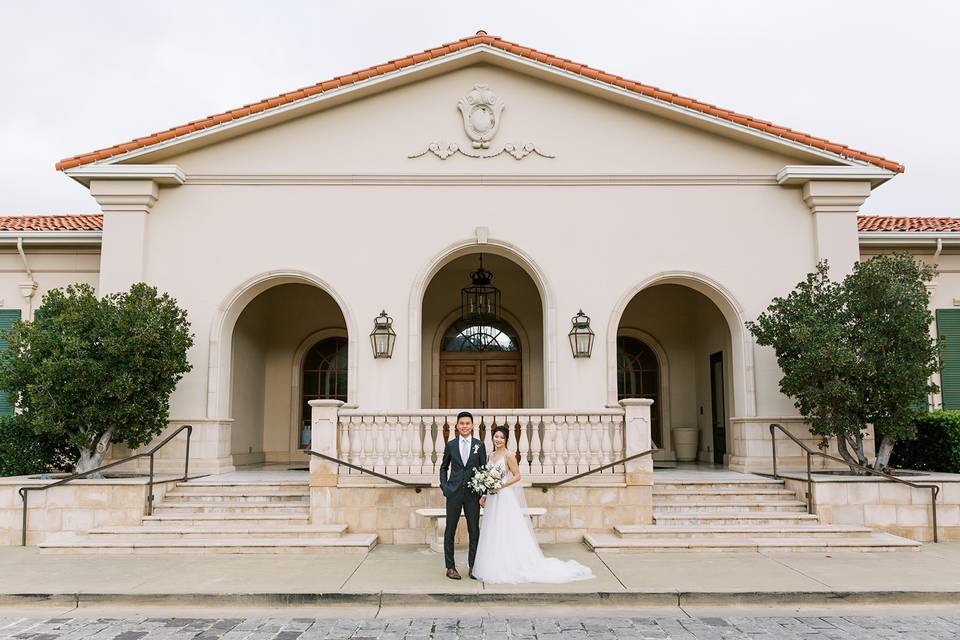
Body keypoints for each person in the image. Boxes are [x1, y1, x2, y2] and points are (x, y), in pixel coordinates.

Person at [472, 425, 594, 584]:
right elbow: (488, 476)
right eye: (496, 437)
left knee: (506, 529)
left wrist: (501, 485)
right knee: (493, 529)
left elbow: (517, 476)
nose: (498, 440)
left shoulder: (509, 455)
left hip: (504, 497)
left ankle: (511, 565)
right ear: (492, 438)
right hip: (493, 498)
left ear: (506, 439)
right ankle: (494, 562)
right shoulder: (491, 455)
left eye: (501, 437)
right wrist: (485, 494)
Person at [438, 410, 487, 580]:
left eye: (467, 423)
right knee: (450, 530)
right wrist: (444, 487)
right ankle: (450, 567)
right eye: (462, 423)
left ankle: (473, 566)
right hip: (454, 493)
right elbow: (443, 467)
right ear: (457, 426)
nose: (465, 426)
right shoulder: (450, 445)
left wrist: (484, 493)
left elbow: (484, 470)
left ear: (472, 426)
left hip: (472, 494)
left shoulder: (479, 445)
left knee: (474, 530)